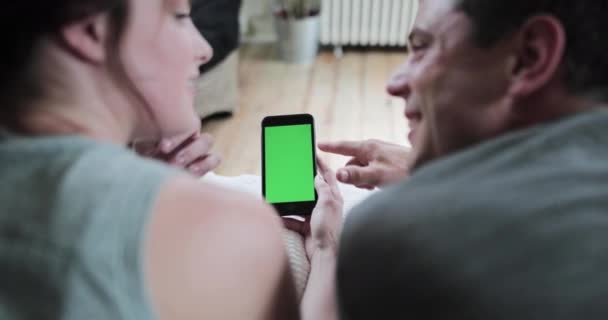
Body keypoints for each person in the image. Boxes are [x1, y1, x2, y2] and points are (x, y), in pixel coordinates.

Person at [0, 1, 339, 319]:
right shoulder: (234, 227)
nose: (204, 49)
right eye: (178, 16)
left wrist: (139, 178)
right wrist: (325, 250)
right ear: (91, 30)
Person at [314, 0, 608, 319]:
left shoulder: (398, 236)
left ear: (528, 57)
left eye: (422, 48)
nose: (395, 83)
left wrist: (324, 247)